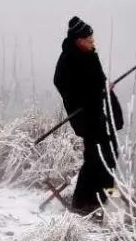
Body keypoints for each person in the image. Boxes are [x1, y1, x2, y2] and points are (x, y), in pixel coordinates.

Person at [53, 16, 124, 215]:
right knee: (95, 157)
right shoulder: (68, 58)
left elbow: (98, 80)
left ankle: (101, 198)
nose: (93, 41)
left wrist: (105, 87)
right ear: (79, 40)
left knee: (110, 151)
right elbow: (61, 82)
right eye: (89, 38)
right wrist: (84, 98)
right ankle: (82, 203)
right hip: (84, 116)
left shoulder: (90, 54)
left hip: (99, 111)